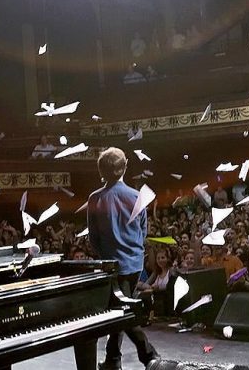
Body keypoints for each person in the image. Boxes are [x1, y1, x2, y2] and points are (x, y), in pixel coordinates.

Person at [87, 147, 159, 370]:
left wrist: (107, 254)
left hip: (112, 264)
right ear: (125, 167)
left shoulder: (95, 199)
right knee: (118, 310)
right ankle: (113, 360)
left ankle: (149, 356)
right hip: (135, 263)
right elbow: (143, 231)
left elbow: (93, 237)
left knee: (121, 314)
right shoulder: (137, 197)